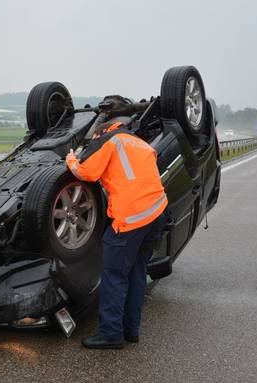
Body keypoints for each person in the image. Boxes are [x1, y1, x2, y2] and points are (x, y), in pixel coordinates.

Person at [65, 120, 168, 349]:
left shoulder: (109, 140)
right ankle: (131, 330)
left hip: (132, 218)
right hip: (157, 212)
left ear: (102, 131)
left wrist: (71, 159)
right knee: (137, 273)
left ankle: (111, 335)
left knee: (114, 276)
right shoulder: (139, 142)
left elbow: (86, 172)